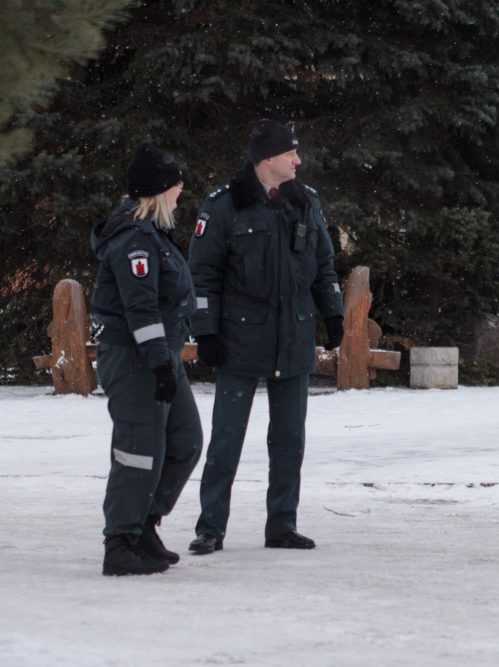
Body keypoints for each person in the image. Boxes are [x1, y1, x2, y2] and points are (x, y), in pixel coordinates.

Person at [187, 120, 344, 554]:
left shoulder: (305, 202)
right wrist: (206, 331)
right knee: (226, 440)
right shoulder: (224, 206)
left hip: (293, 337)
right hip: (239, 339)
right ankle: (210, 528)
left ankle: (282, 525)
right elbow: (202, 276)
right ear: (267, 159)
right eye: (291, 153)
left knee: (290, 440)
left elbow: (323, 265)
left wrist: (333, 312)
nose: (298, 160)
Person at [90, 143, 203, 576]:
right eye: (175, 184)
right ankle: (120, 542)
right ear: (157, 191)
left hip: (160, 355)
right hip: (135, 359)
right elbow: (141, 308)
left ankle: (144, 525)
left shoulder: (154, 234)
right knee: (138, 452)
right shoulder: (134, 240)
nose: (181, 190)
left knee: (185, 441)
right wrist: (158, 364)